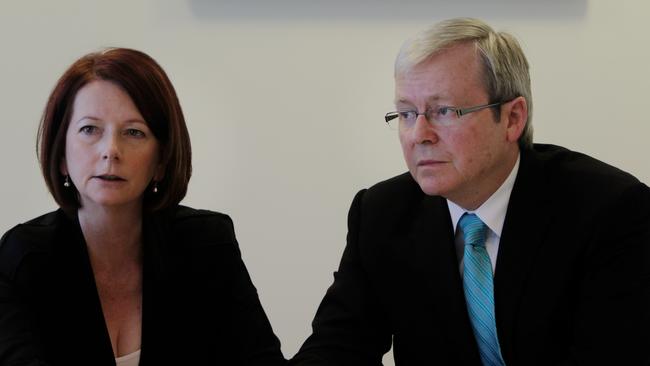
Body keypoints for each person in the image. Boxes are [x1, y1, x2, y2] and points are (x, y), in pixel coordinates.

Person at [290, 18, 650, 365]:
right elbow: (337, 347)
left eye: (443, 111)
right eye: (406, 114)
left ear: (512, 119)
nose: (419, 134)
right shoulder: (382, 214)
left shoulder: (609, 210)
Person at [0, 48, 286, 365]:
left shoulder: (206, 245)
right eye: (89, 129)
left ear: (161, 162)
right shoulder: (23, 256)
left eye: (134, 132)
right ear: (62, 155)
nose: (111, 150)